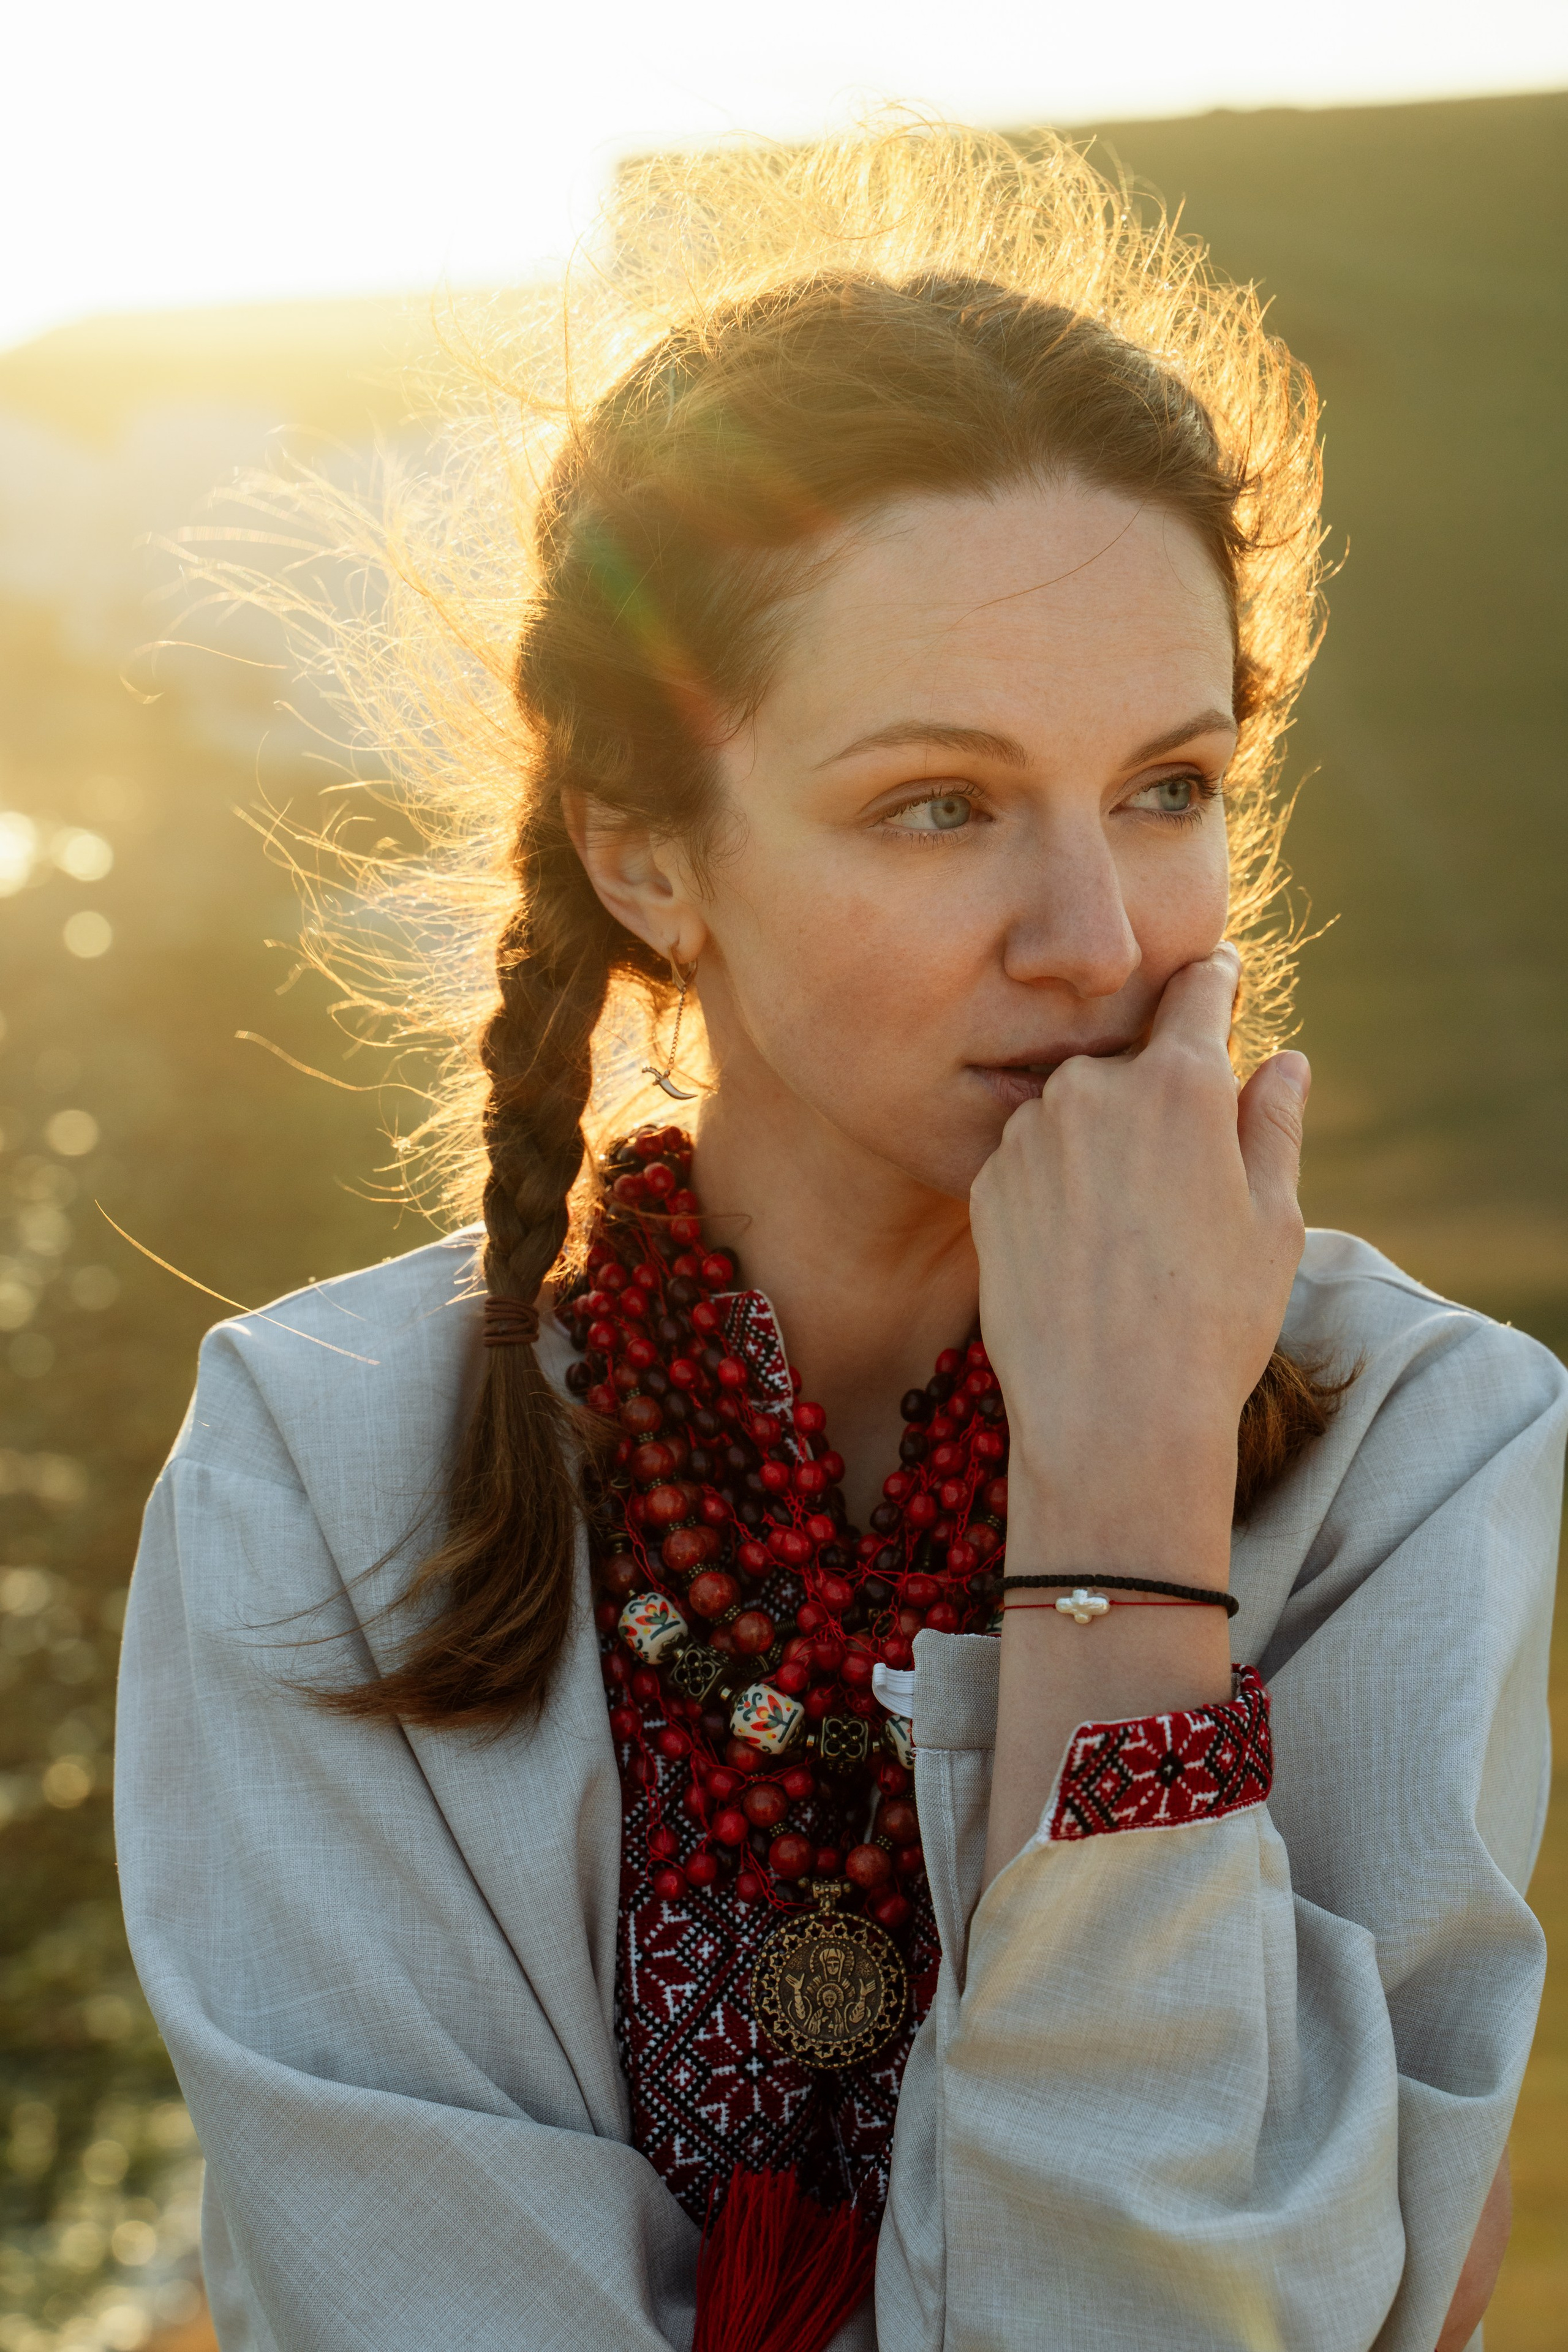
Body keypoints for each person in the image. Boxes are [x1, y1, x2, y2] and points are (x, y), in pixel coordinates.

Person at [115, 125, 1566, 2351]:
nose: (1096, 938)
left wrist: (1126, 1507)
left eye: (1167, 789)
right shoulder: (322, 1470)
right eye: (938, 805)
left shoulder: (1419, 1450)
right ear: (648, 854)